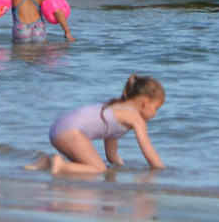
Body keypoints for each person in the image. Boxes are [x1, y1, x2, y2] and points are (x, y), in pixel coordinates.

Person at [28, 75, 166, 176]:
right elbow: (148, 150)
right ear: (145, 103)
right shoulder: (135, 117)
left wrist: (119, 168)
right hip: (70, 132)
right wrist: (160, 171)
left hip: (59, 129)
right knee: (98, 169)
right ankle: (61, 165)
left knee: (87, 166)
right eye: (156, 108)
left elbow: (111, 155)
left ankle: (47, 162)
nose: (155, 114)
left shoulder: (116, 108)